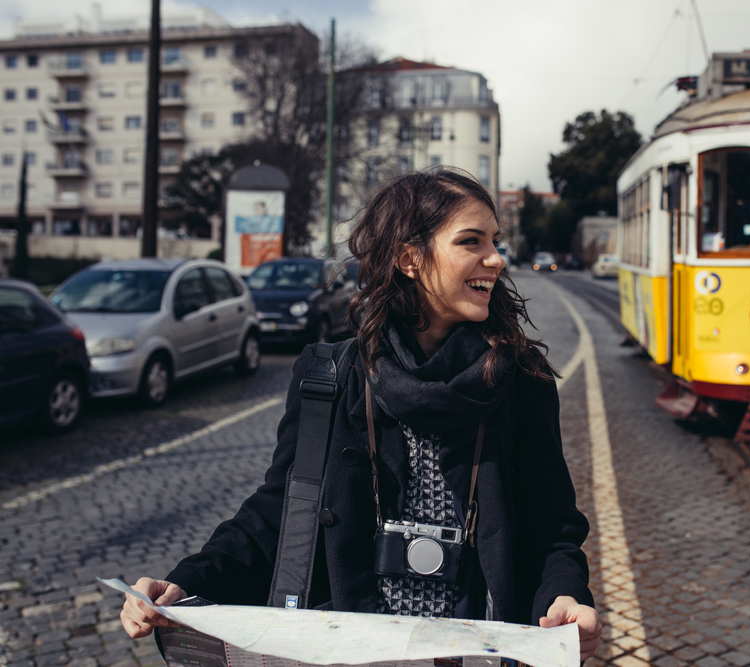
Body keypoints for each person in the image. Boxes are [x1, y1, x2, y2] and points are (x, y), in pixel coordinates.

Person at [119, 169, 602, 661]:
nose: (496, 259)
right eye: (471, 241)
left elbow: (551, 525)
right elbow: (280, 509)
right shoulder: (329, 376)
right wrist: (188, 580)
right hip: (354, 649)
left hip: (479, 650)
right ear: (410, 259)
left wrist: (565, 594)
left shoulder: (522, 380)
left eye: (495, 241)